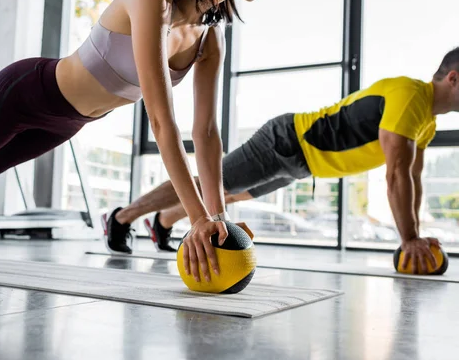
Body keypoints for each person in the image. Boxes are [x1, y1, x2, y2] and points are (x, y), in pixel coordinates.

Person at [0, 0, 261, 274]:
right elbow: (161, 120)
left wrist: (218, 216)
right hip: (27, 91)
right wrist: (196, 219)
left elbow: (206, 132)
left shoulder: (211, 38)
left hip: (69, 121)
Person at [105, 47, 459, 275]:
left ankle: (163, 221)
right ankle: (121, 218)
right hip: (287, 142)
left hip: (303, 164)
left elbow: (413, 179)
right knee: (210, 186)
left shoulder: (428, 120)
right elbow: (397, 175)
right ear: (453, 78)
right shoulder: (411, 96)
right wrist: (409, 237)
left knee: (227, 195)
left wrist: (414, 235)